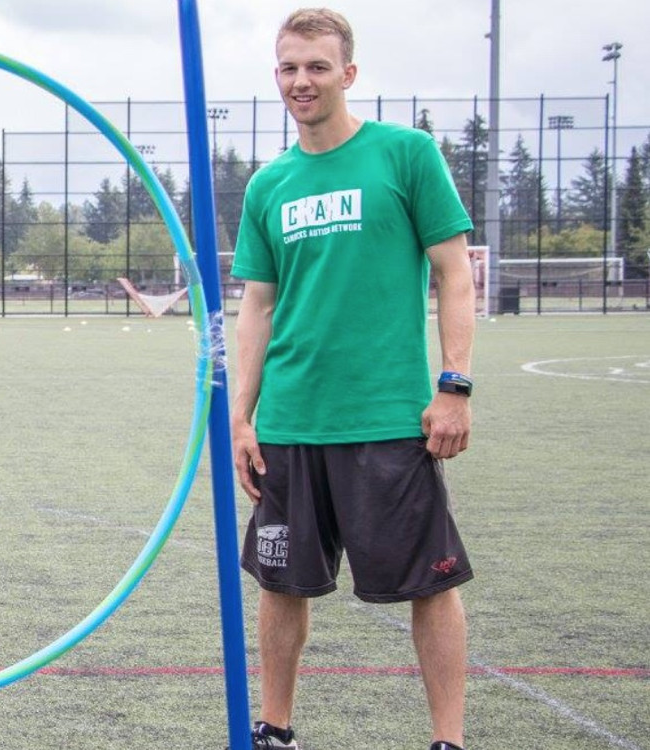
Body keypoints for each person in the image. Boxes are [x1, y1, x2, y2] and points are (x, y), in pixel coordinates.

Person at [230, 9, 476, 750]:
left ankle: (448, 740)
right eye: (287, 67)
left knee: (430, 586)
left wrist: (454, 384)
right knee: (280, 585)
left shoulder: (405, 155)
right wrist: (242, 418)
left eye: (315, 67)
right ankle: (275, 728)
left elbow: (453, 274)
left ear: (348, 73)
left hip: (387, 419)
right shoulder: (269, 184)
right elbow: (257, 307)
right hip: (292, 422)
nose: (300, 81)